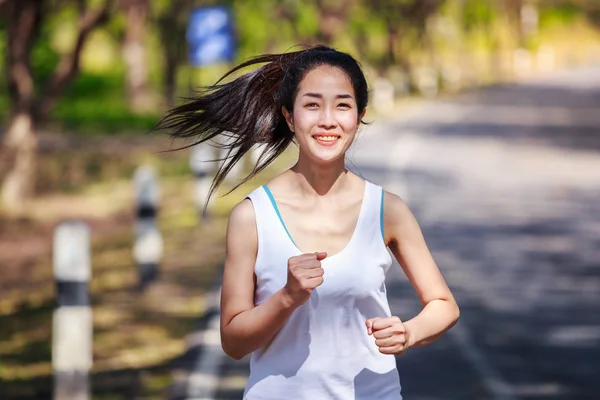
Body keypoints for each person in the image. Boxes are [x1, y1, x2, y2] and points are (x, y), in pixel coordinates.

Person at [158, 45, 460, 400]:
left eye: (343, 105)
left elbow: (444, 305)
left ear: (360, 115)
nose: (328, 120)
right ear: (289, 117)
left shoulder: (386, 210)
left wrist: (408, 333)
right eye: (312, 105)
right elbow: (234, 341)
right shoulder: (252, 216)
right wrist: (286, 297)